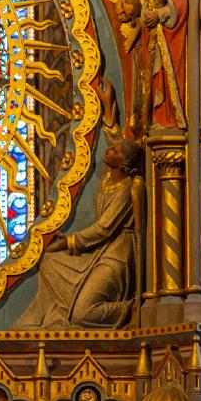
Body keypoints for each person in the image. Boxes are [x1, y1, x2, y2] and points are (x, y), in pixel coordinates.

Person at [20, 138, 144, 328]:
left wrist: (70, 241)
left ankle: (129, 309)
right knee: (49, 261)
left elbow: (104, 228)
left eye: (116, 151)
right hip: (99, 250)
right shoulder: (107, 181)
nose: (109, 150)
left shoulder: (126, 189)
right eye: (111, 147)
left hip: (117, 256)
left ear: (123, 163)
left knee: (83, 314)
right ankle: (61, 312)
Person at [141, 0, 187, 129]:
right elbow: (148, 3)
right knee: (155, 77)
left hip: (171, 39)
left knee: (169, 77)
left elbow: (180, 6)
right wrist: (146, 15)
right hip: (155, 38)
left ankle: (169, 119)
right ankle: (157, 117)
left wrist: (159, 15)